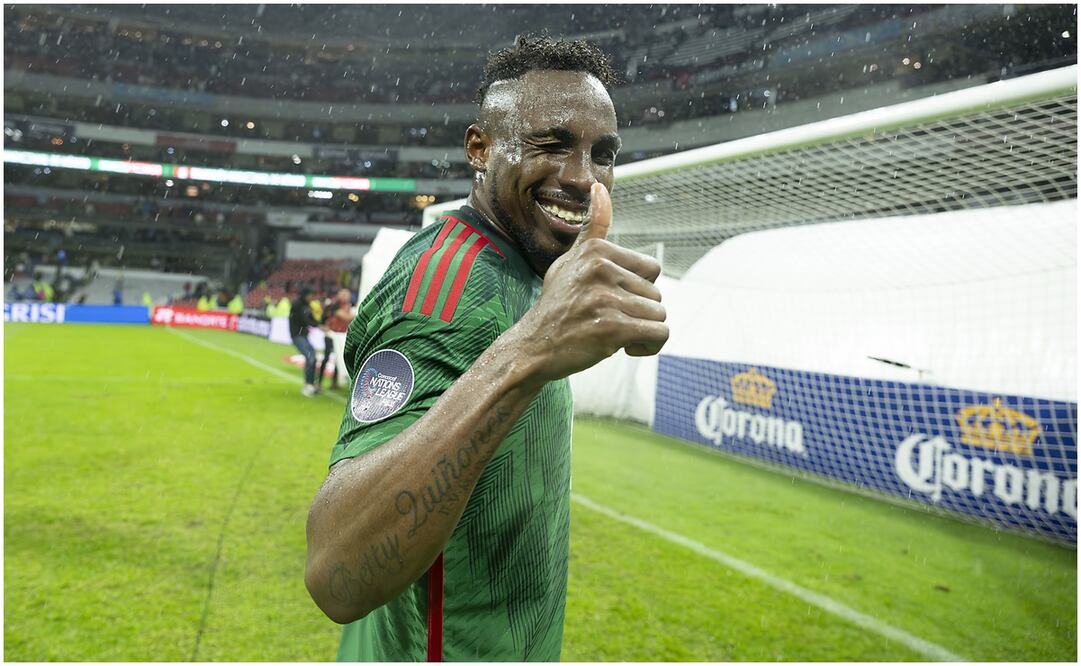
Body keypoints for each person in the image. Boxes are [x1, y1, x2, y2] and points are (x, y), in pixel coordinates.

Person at [304, 36, 668, 661]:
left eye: (601, 154)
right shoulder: (442, 289)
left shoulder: (530, 271)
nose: (582, 177)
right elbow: (338, 570)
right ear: (479, 147)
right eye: (552, 144)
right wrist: (528, 350)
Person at [318, 288, 355, 390]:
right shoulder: (334, 305)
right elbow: (345, 317)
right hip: (331, 334)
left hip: (342, 335)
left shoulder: (349, 305)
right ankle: (319, 382)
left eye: (347, 295)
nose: (345, 297)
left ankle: (334, 382)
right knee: (326, 357)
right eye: (343, 294)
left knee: (339, 358)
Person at [290, 285, 323, 397]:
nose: (312, 297)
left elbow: (311, 318)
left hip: (303, 335)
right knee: (310, 356)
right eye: (310, 295)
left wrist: (320, 324)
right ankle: (308, 386)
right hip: (297, 335)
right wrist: (318, 325)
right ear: (305, 295)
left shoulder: (306, 305)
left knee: (312, 356)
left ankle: (311, 384)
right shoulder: (297, 305)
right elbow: (305, 320)